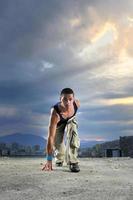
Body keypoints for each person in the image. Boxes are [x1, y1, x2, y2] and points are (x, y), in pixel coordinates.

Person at [42, 88, 80, 172]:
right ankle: (59, 158)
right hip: (59, 124)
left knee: (73, 133)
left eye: (70, 99)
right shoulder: (55, 113)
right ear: (60, 99)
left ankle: (73, 162)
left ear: (73, 99)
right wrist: (49, 159)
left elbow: (73, 109)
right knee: (58, 144)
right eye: (64, 99)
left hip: (71, 119)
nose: (68, 102)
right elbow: (50, 137)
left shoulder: (77, 104)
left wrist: (71, 123)